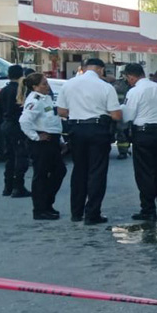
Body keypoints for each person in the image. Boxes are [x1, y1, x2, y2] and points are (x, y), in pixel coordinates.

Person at [56, 58, 122, 225]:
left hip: (76, 130)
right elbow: (116, 115)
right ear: (101, 70)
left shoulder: (68, 84)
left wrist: (79, 111)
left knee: (79, 170)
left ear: (83, 68)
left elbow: (62, 111)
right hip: (98, 130)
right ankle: (92, 214)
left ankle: (76, 213)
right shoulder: (106, 87)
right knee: (97, 171)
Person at [120, 63, 157, 220]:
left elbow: (128, 116)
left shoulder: (135, 91)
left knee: (145, 173)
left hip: (143, 134)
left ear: (131, 76)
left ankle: (148, 209)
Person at [19, 73, 67, 220]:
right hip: (41, 142)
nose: (47, 86)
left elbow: (52, 120)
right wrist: (35, 136)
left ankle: (47, 203)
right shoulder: (35, 100)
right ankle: (40, 209)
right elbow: (24, 121)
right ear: (35, 87)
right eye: (44, 84)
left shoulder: (46, 98)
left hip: (52, 139)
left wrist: (61, 140)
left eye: (47, 83)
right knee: (41, 175)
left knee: (59, 171)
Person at [0, 64, 30, 197]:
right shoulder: (20, 91)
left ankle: (8, 186)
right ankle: (18, 187)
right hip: (17, 126)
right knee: (20, 157)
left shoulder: (4, 90)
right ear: (22, 75)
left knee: (10, 157)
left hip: (5, 125)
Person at [112, 74, 132, 159]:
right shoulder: (118, 84)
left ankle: (125, 149)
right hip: (119, 111)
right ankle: (123, 151)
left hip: (129, 111)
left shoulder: (134, 85)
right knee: (122, 132)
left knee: (125, 132)